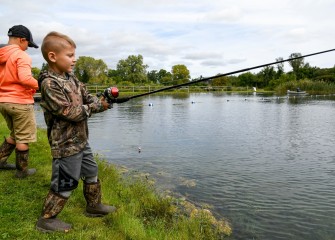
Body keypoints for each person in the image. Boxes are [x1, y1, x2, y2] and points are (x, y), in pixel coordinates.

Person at [35, 31, 126, 232]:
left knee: (92, 171)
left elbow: (87, 96)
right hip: (65, 143)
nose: (74, 60)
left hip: (81, 140)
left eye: (74, 55)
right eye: (69, 55)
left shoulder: (72, 78)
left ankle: (93, 207)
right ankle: (46, 220)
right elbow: (68, 112)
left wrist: (100, 102)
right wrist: (95, 107)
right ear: (52, 56)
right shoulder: (49, 83)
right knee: (65, 183)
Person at [0, 25, 39, 178]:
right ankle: (22, 172)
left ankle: (1, 161)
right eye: (28, 44)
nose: (27, 48)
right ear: (22, 40)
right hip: (19, 102)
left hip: (3, 101)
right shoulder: (21, 56)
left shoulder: (2, 54)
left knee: (15, 134)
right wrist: (40, 84)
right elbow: (25, 79)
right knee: (23, 137)